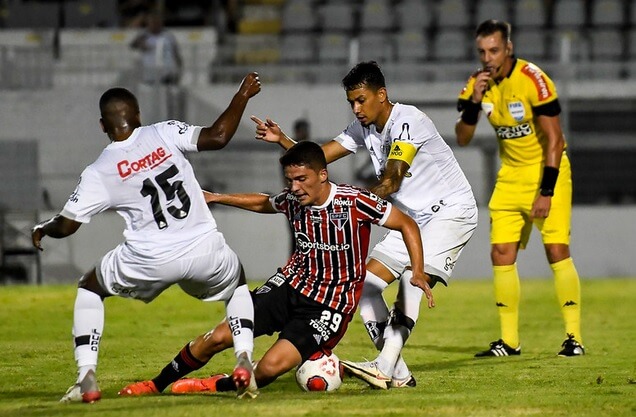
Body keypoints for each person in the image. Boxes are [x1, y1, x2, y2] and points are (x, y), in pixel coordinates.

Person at [117, 140, 434, 396]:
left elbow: (406, 222)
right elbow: (265, 202)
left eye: (301, 179)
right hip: (289, 286)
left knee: (269, 368)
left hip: (328, 306)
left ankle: (216, 384)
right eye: (290, 181)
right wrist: (218, 197)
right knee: (217, 337)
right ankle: (156, 384)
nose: (295, 188)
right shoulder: (295, 200)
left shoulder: (354, 202)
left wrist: (417, 271)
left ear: (323, 175)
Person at [31, 72, 262, 402]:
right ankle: (243, 358)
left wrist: (43, 227)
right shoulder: (164, 132)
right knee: (236, 282)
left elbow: (67, 225)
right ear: (137, 115)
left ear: (102, 125)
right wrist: (242, 94)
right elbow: (219, 135)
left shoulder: (100, 170)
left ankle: (86, 377)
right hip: (203, 247)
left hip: (149, 258)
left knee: (90, 287)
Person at [252, 61, 478, 389]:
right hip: (414, 219)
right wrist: (282, 139)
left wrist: (352, 202)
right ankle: (398, 375)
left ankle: (383, 367)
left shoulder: (407, 122)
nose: (356, 109)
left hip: (450, 212)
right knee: (364, 285)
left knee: (408, 280)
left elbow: (393, 178)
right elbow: (320, 157)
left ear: (381, 95)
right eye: (351, 102)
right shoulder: (364, 128)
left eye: (361, 100)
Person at [455, 20, 584, 357]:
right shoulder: (477, 84)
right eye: (482, 51)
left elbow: (555, 139)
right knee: (500, 253)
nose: (487, 58)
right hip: (510, 176)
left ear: (508, 48)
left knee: (557, 250)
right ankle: (509, 341)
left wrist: (546, 191)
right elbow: (463, 137)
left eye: (494, 50)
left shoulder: (533, 80)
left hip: (547, 171)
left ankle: (574, 337)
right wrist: (474, 102)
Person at [130, 10, 182, 85]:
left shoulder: (168, 35)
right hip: (150, 73)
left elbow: (176, 53)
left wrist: (178, 71)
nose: (155, 25)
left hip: (167, 73)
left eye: (157, 22)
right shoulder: (143, 35)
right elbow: (133, 45)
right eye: (152, 22)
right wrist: (140, 43)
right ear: (148, 23)